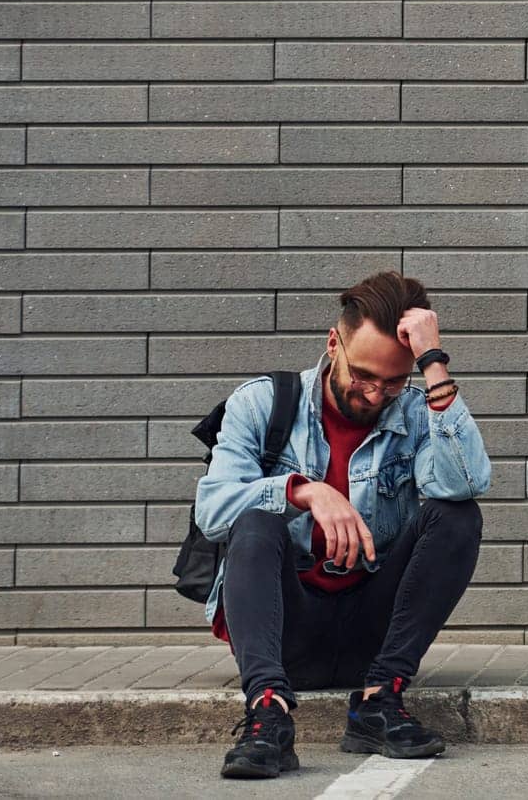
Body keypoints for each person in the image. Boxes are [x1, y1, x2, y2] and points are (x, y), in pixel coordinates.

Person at [194, 270, 490, 777]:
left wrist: (433, 365)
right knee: (254, 523)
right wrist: (302, 491)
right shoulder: (261, 403)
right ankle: (269, 713)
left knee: (457, 516)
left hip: (372, 634)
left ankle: (378, 701)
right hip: (287, 634)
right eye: (364, 376)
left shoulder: (417, 413)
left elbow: (464, 482)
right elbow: (213, 509)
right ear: (334, 343)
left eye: (394, 381)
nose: (376, 395)